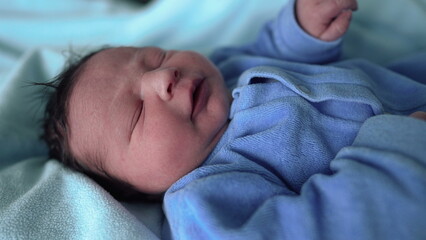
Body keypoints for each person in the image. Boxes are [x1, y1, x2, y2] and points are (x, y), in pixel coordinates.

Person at [41, 0, 426, 238]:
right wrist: (399, 144)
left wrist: (304, 31)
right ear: (139, 189)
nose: (162, 77)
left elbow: (270, 50)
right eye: (137, 112)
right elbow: (322, 227)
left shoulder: (224, 73)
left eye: (155, 56)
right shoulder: (204, 197)